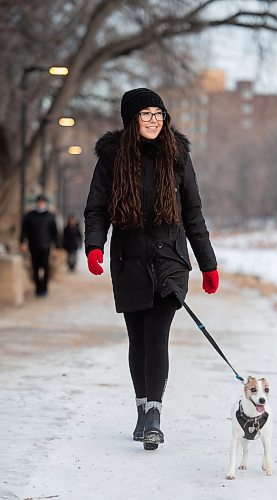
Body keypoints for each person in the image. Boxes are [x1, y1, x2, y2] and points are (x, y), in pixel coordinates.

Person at [84, 88, 219, 451]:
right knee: (138, 338)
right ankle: (142, 408)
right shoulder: (112, 159)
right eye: (145, 114)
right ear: (132, 120)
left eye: (159, 113)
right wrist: (94, 245)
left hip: (170, 259)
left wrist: (208, 264)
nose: (154, 120)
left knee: (157, 335)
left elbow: (192, 213)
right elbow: (96, 209)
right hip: (129, 258)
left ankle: (155, 415)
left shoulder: (177, 155)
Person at [20, 194, 60, 297]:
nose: (41, 204)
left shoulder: (50, 216)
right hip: (33, 245)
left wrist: (56, 247)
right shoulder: (29, 216)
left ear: (45, 203)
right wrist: (23, 242)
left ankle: (44, 288)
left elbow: (55, 233)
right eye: (39, 202)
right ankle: (38, 289)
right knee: (35, 268)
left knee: (45, 267)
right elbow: (24, 230)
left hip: (45, 246)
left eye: (43, 202)